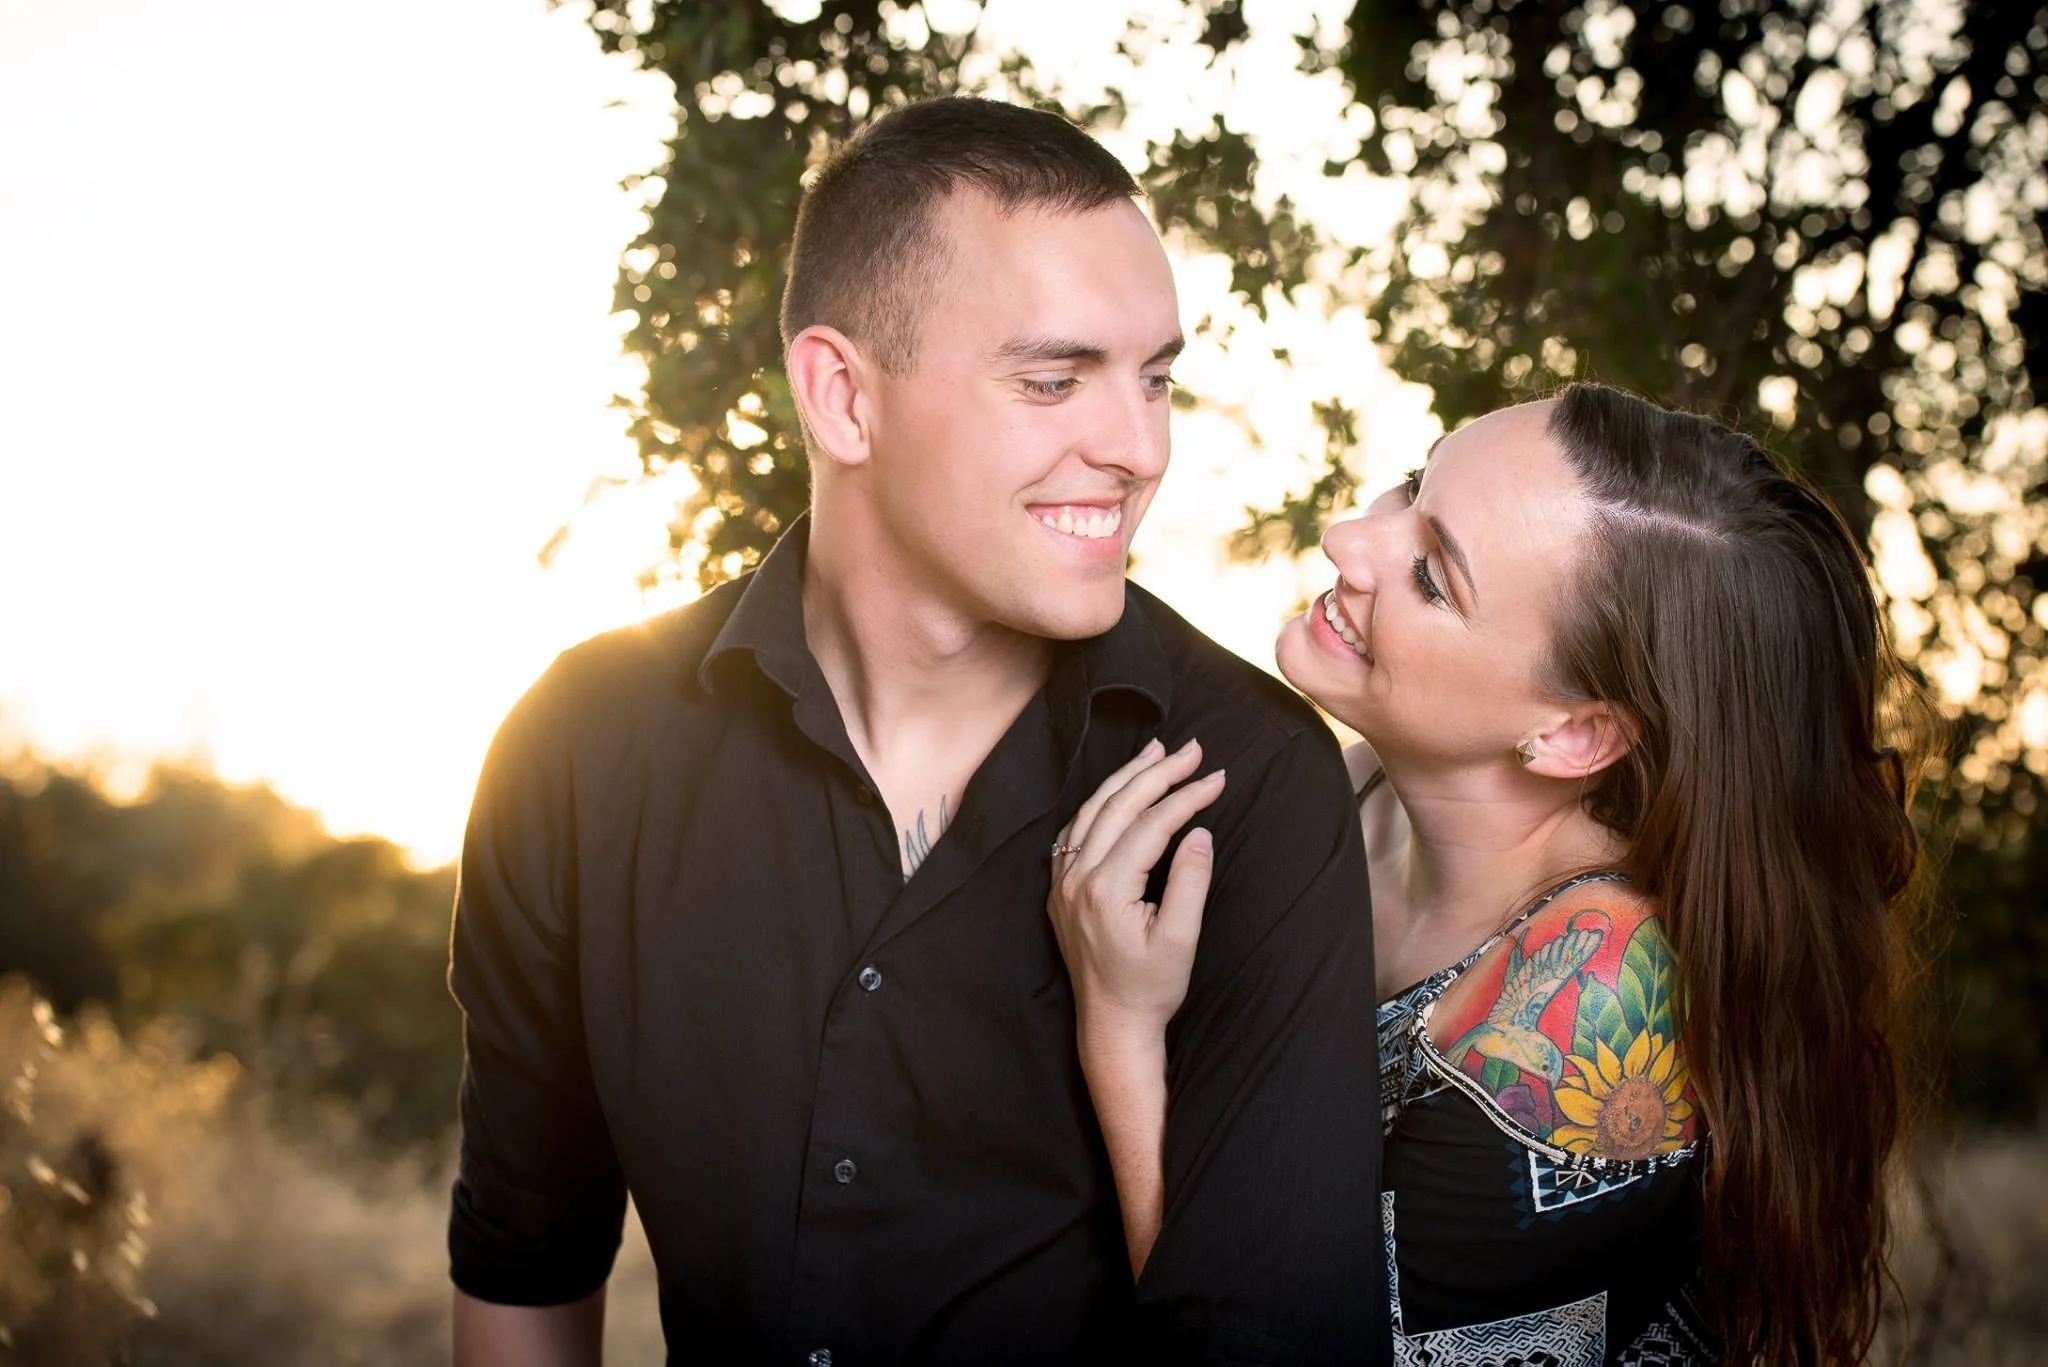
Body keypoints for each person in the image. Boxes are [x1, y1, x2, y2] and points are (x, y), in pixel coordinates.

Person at [446, 97, 1388, 1365]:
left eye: (1155, 377)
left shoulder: (1252, 780)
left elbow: (1277, 1337)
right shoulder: (581, 746)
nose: (1137, 445)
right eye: (1054, 379)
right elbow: (525, 1258)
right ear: (841, 396)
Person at [1051, 385, 1933, 1365]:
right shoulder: (1353, 792)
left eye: (1430, 574)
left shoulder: (1592, 1011)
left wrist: (1121, 1028)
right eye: (1410, 486)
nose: (1349, 538)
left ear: (1572, 732)